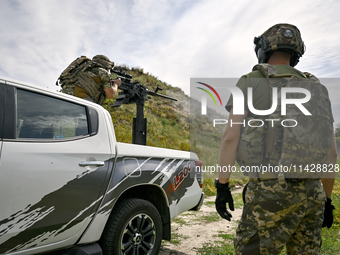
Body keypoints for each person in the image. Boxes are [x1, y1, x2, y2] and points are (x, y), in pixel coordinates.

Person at [215, 23, 337, 254]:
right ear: (297, 53)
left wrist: (222, 186)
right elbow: (331, 152)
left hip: (270, 191)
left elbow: (230, 138)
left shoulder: (250, 81)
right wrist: (327, 200)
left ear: (263, 50)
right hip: (313, 193)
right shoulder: (318, 89)